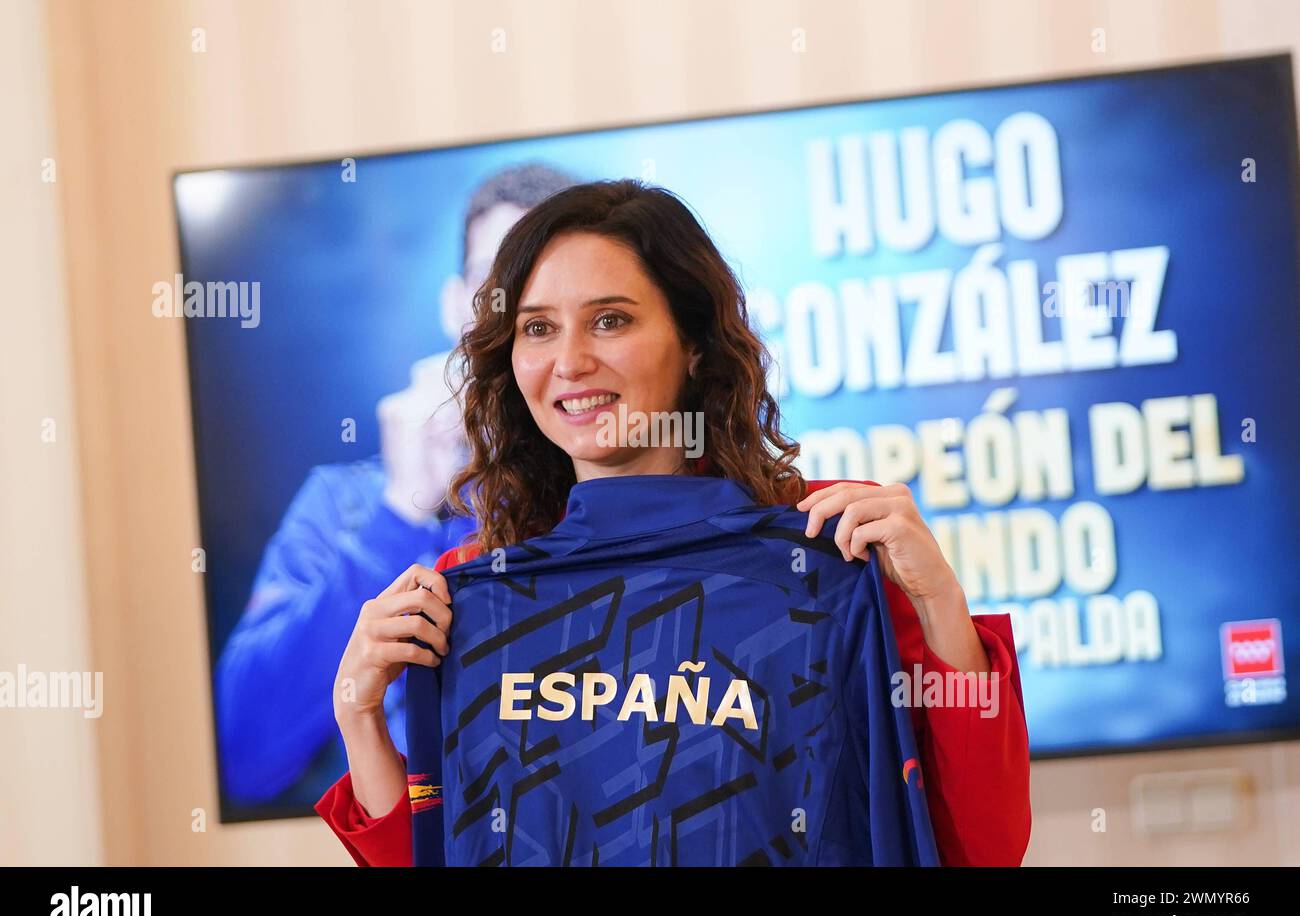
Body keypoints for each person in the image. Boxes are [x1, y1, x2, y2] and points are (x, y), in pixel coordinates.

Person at [315, 179, 1031, 865]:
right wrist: (361, 716)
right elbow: (446, 852)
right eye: (538, 328)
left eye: (610, 320)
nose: (571, 361)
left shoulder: (828, 542)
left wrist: (940, 605)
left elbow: (979, 846)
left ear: (693, 342)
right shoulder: (473, 592)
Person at [214, 164, 579, 806]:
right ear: (451, 304)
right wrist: (397, 515)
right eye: (492, 281)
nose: (517, 311)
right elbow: (242, 759)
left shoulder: (618, 489)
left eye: (549, 284)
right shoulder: (344, 505)